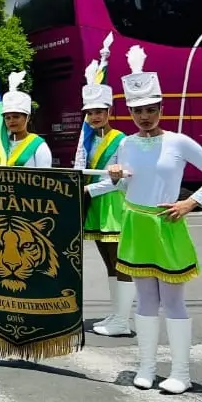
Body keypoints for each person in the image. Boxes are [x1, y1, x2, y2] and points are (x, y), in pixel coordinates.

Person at [107, 45, 202, 395]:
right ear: (130, 112)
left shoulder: (179, 142)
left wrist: (191, 202)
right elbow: (123, 184)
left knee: (173, 301)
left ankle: (181, 373)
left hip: (167, 224)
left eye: (151, 110)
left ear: (162, 109)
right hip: (136, 225)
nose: (145, 116)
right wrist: (114, 178)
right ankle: (146, 368)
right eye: (138, 111)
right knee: (145, 300)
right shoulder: (126, 145)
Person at [74, 59, 134, 338]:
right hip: (95, 206)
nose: (95, 116)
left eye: (99, 111)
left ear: (109, 111)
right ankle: (116, 313)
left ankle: (122, 320)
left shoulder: (121, 140)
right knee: (108, 263)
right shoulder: (86, 140)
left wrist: (89, 190)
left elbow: (122, 178)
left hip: (113, 205)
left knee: (120, 263)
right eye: (90, 112)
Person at [0, 71, 52, 168]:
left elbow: (45, 175)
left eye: (16, 116)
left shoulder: (38, 145)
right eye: (7, 118)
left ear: (28, 118)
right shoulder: (1, 144)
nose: (11, 121)